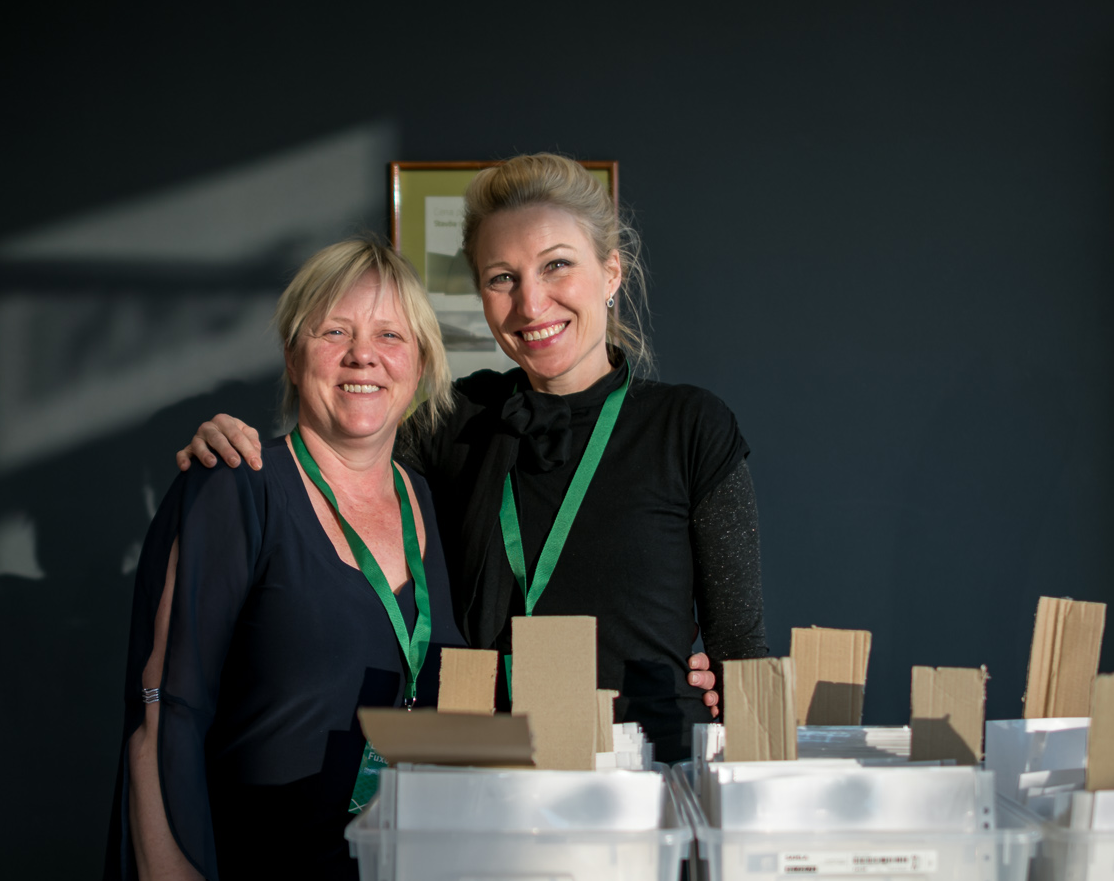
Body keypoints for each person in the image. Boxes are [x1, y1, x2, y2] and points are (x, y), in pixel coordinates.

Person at [178, 154, 767, 764]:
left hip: (648, 780)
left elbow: (741, 652)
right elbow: (338, 469)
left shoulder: (690, 426)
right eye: (502, 278)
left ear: (611, 271)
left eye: (557, 265)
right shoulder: (455, 420)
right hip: (484, 778)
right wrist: (241, 448)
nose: (531, 304)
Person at [100, 238, 465, 881]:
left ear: (423, 364)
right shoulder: (235, 488)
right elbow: (160, 717)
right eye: (335, 331)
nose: (363, 355)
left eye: (390, 335)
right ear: (295, 354)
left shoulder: (422, 500)